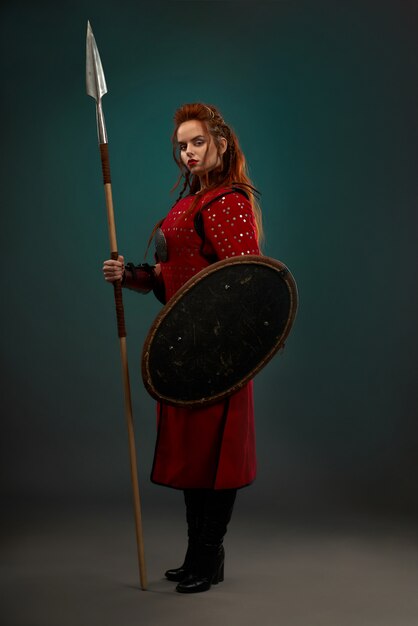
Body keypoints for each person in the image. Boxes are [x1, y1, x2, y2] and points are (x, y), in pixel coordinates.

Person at [103, 103, 263, 593]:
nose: (188, 152)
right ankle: (200, 558)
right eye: (182, 146)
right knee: (196, 457)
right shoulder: (189, 203)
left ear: (220, 142)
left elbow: (245, 283)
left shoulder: (228, 201)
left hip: (217, 356)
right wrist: (129, 275)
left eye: (196, 142)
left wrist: (224, 350)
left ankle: (207, 556)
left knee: (217, 458)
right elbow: (172, 280)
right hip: (183, 350)